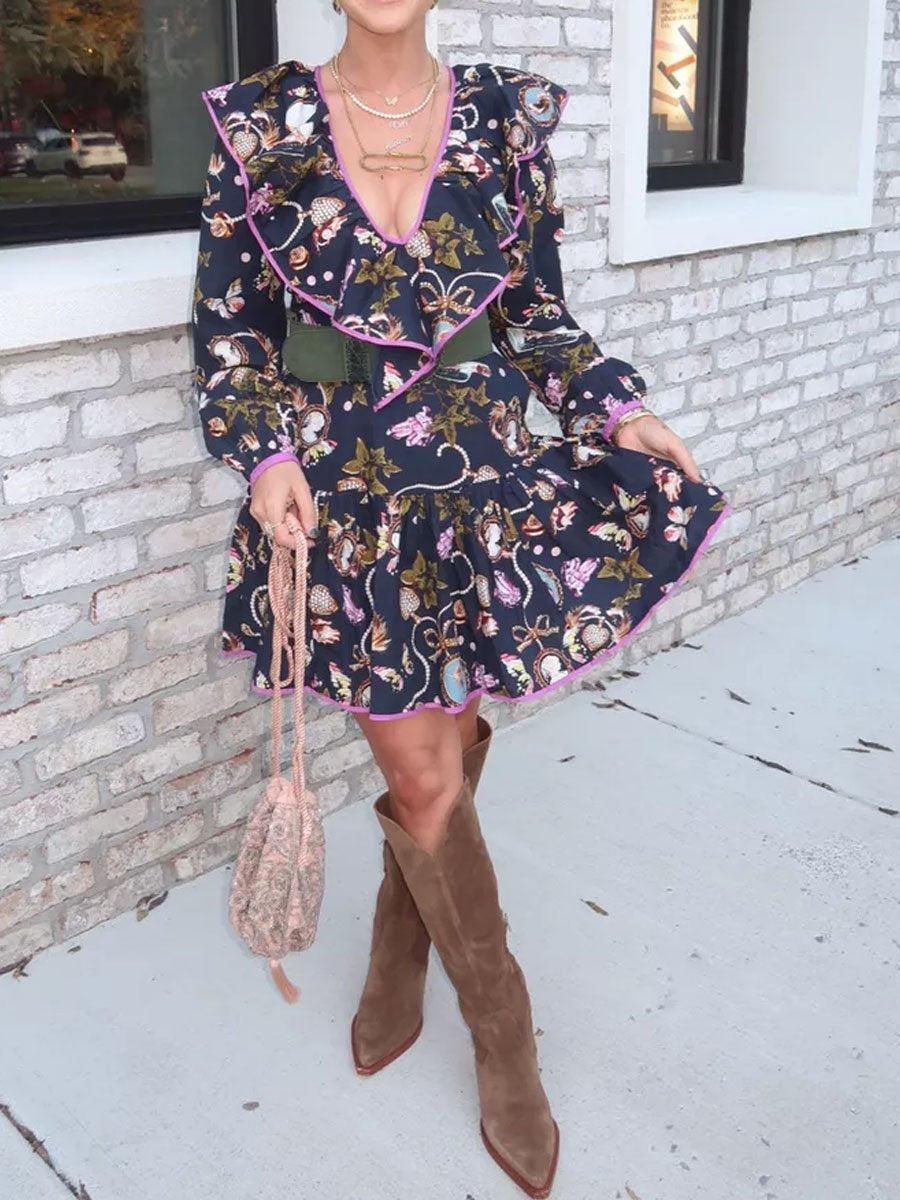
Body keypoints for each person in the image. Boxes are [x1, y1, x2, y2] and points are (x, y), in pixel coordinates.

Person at [192, 2, 731, 1194]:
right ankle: (508, 1040)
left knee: (436, 756)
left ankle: (398, 957)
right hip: (345, 505)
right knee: (426, 774)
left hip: (482, 495)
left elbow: (534, 315)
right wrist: (267, 457)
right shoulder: (260, 128)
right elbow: (230, 335)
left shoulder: (503, 119)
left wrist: (617, 410)